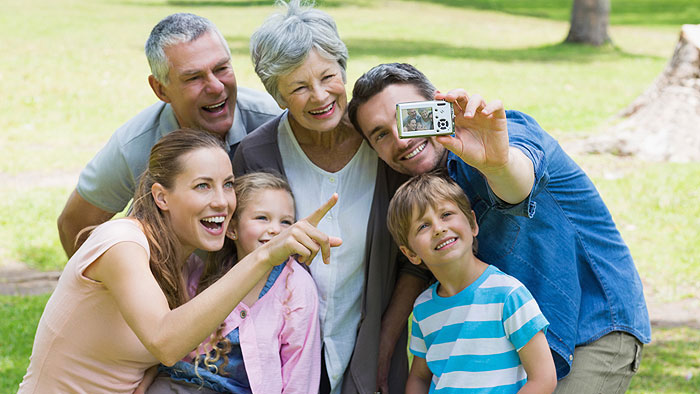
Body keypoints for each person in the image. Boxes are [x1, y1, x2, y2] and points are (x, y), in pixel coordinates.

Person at [347, 63, 651, 393]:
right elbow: (420, 266)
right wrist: (386, 342)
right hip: (513, 340)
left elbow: (516, 187)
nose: (400, 139)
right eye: (380, 134)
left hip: (590, 325)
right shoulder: (423, 191)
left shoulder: (503, 134)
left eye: (407, 118)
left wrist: (497, 163)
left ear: (438, 105)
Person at [18, 129, 338, 393]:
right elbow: (165, 341)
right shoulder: (122, 244)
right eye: (202, 186)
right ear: (161, 197)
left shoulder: (190, 269)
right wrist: (266, 255)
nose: (222, 201)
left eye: (227, 184)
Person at [233, 2, 431, 393]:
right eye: (299, 87)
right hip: (282, 357)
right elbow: (239, 258)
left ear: (343, 69)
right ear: (278, 97)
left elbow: (415, 258)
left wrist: (387, 340)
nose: (320, 96)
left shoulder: (384, 143)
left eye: (328, 77)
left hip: (373, 346)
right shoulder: (255, 155)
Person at [57, 12, 281, 258]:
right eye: (193, 77)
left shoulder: (274, 122)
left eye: (222, 68)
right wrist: (117, 288)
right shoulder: (134, 144)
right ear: (161, 89)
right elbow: (74, 226)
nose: (216, 86)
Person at [147, 172, 321, 393]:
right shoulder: (209, 273)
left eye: (286, 221)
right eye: (262, 218)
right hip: (182, 382)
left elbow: (300, 365)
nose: (276, 229)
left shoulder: (295, 285)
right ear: (232, 229)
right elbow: (176, 336)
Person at [387, 173, 556, 393]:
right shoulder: (423, 308)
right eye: (423, 226)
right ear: (410, 253)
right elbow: (419, 377)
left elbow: (544, 379)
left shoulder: (508, 295)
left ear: (472, 223)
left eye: (446, 214)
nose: (439, 228)